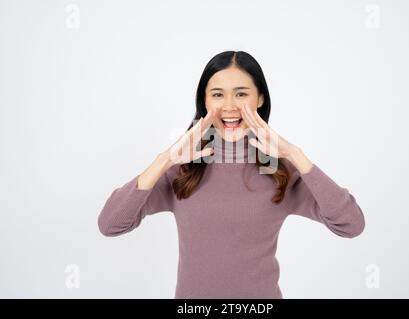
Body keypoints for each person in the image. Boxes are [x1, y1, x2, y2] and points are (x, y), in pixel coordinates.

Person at [98, 51, 365, 299]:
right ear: (204, 100)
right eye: (217, 94)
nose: (229, 106)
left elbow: (351, 225)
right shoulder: (184, 168)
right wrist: (164, 159)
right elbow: (110, 224)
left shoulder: (280, 171)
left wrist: (295, 155)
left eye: (240, 94)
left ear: (260, 97)